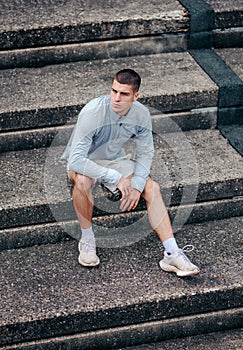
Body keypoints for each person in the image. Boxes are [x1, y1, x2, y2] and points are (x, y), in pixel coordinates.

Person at [60, 68, 199, 277]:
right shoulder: (93, 111)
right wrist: (116, 178)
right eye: (114, 91)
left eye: (124, 94)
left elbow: (145, 153)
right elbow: (77, 160)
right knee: (82, 181)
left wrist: (137, 185)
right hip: (84, 160)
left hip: (115, 159)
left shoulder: (141, 114)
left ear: (136, 96)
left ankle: (172, 253)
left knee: (152, 187)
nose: (116, 98)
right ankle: (87, 240)